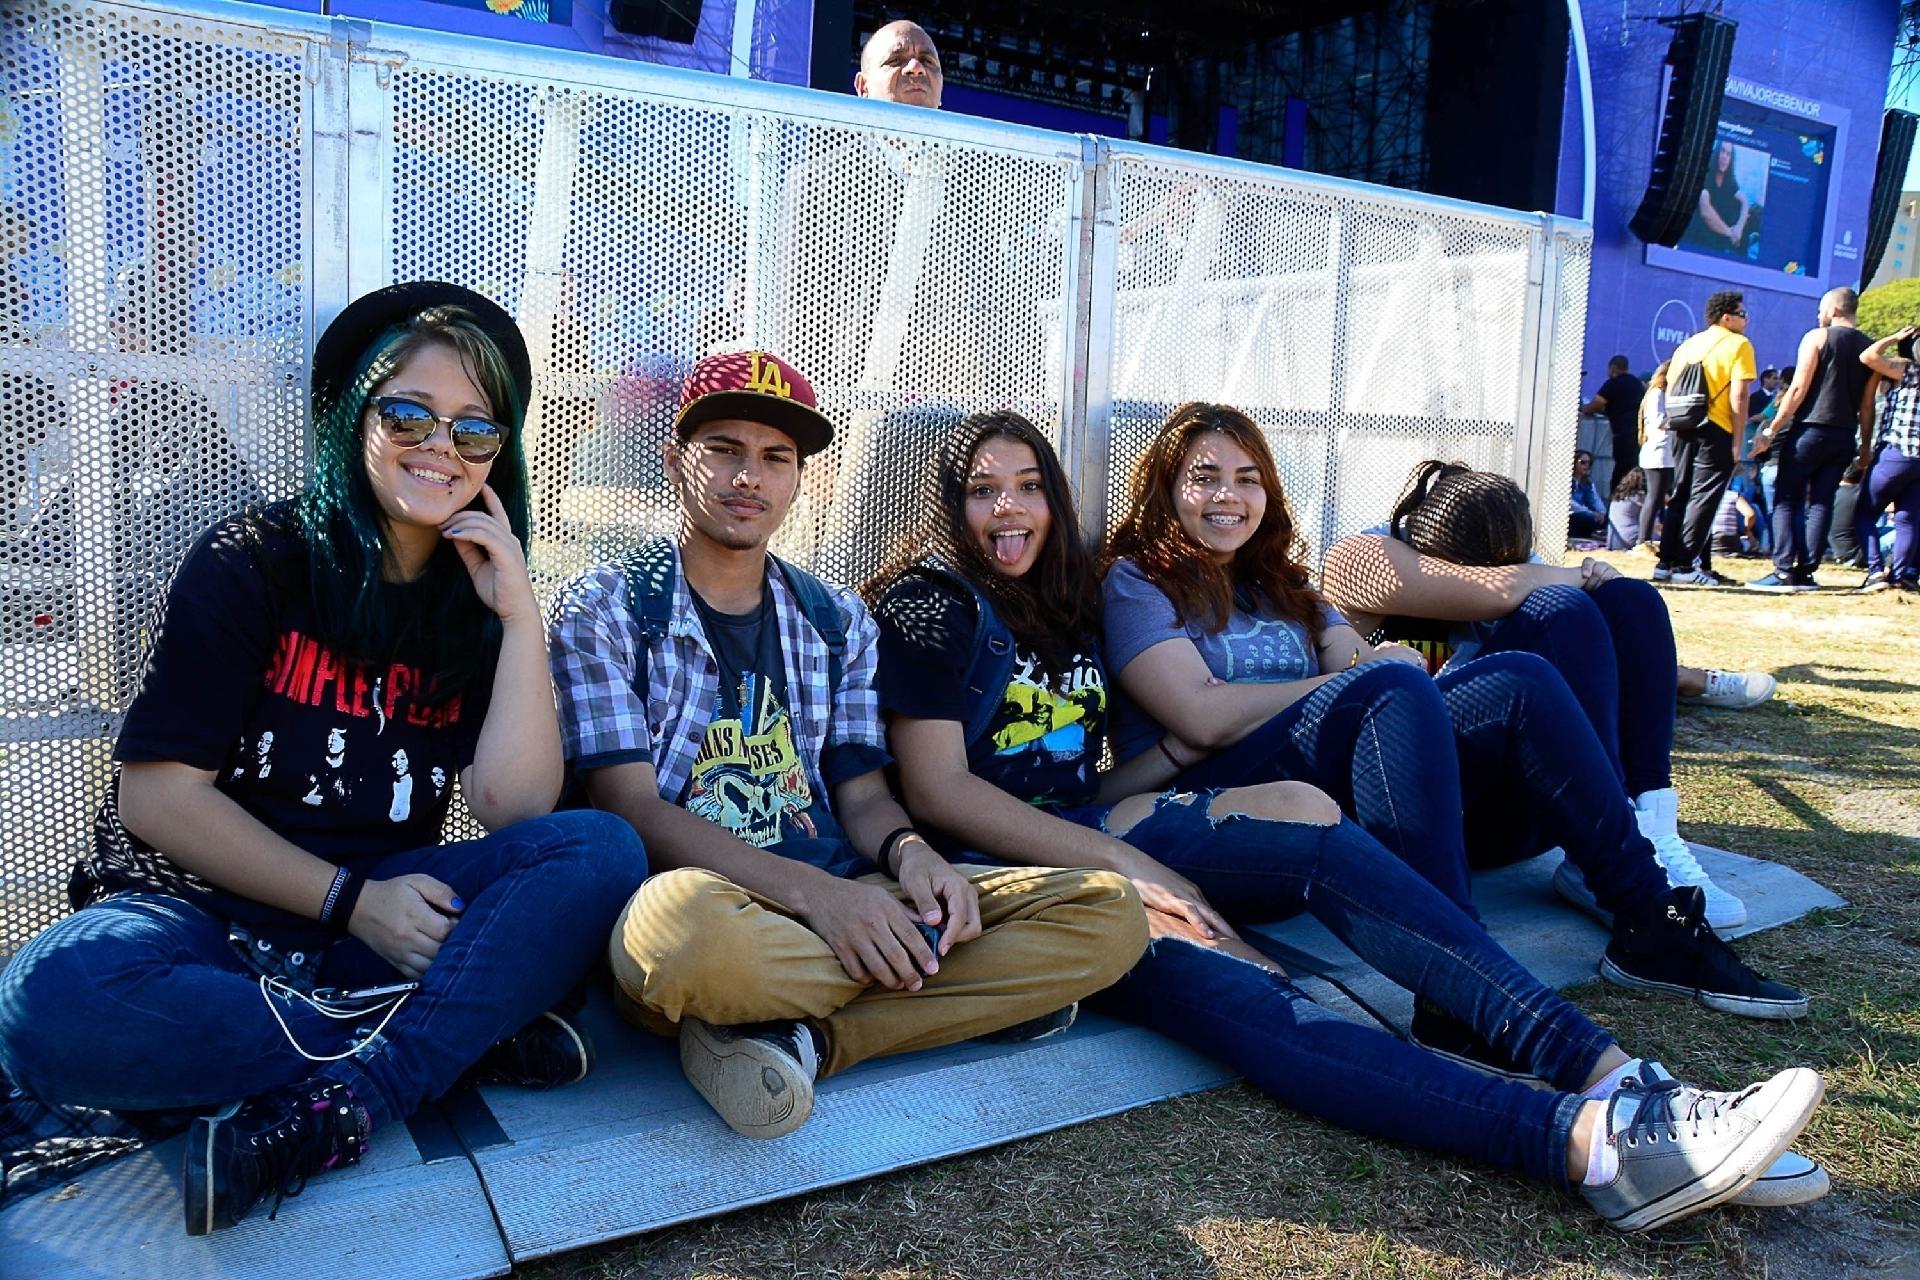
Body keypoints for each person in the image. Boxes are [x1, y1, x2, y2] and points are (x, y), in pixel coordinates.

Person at [866, 409, 1825, 1233]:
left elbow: (1105, 763)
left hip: (1107, 829)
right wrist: (1131, 856)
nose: (1009, 508)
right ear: (946, 506)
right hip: (1020, 882)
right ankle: (1592, 1146)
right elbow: (946, 796)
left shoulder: (1059, 600)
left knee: (1325, 826)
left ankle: (1618, 1080)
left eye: (1028, 485)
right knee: (1268, 1004)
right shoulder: (930, 605)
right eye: (983, 488)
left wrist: (1173, 793)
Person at [0, 283, 650, 1236]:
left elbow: (517, 810)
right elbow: (156, 798)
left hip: (376, 926)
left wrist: (517, 615)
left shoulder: (474, 599)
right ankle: (445, 1045)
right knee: (48, 1003)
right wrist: (354, 901)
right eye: (409, 413)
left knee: (599, 850)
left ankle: (348, 1102)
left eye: (475, 430)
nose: (441, 446)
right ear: (354, 412)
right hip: (198, 918)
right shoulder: (252, 559)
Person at [547, 350, 1146, 1141]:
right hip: (721, 905)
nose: (747, 478)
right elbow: (629, 807)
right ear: (674, 461)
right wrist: (819, 898)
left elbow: (861, 791)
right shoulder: (608, 607)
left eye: (775, 458)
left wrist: (911, 858)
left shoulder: (835, 619)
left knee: (1109, 913)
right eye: (724, 449)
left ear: (800, 480)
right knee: (678, 930)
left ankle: (802, 1036)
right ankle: (930, 994)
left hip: (854, 897)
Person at [1096, 404, 1801, 1022]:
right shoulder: (1138, 581)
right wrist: (1357, 680)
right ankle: (1463, 977)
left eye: (1248, 478)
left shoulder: (1280, 581)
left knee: (1519, 678)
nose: (1229, 495)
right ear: (1165, 488)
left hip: (1326, 777)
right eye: (1205, 476)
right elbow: (1201, 717)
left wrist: (1367, 668)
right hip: (1219, 801)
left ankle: (1652, 918)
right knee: (1388, 688)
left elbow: (1349, 657)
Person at [1322, 461, 1783, 935]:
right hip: (1426, 803)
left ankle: (1644, 824)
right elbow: (1495, 590)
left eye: (1510, 560)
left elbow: (1517, 583)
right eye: (1473, 566)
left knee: (1632, 600)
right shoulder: (1364, 553)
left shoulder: (1527, 568)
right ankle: (1609, 849)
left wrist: (1597, 583)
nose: (1500, 569)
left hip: (1523, 811)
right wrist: (1579, 573)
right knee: (1561, 607)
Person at [1746, 288, 1875, 593]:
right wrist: (1865, 447)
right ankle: (1806, 572)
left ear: (1832, 309)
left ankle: (1782, 570)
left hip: (1809, 430)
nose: (1819, 316)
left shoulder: (1817, 338)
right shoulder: (1870, 348)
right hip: (1844, 435)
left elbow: (1798, 389)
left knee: (1787, 500)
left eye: (1821, 309)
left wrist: (1771, 429)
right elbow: (1867, 405)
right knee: (1821, 502)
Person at [1655, 290, 1754, 586]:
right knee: (1705, 497)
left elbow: (1670, 384)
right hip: (1717, 427)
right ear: (1727, 317)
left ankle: (1666, 561)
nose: (1746, 321)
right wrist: (1738, 441)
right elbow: (1739, 394)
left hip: (1684, 424)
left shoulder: (1689, 343)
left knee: (1681, 492)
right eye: (1743, 314)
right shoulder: (1739, 345)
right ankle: (1686, 566)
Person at [1856, 325, 1920, 591]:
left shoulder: (1910, 371)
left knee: (1865, 512)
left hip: (1897, 452)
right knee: (1908, 518)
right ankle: (1902, 575)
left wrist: (1892, 338)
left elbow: (1868, 356)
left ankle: (1874, 572)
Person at [1580, 356, 1644, 499]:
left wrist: (1583, 408)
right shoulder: (1637, 384)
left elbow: (1595, 405)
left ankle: (1616, 505)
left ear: (1612, 368)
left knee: (1620, 474)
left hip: (1623, 436)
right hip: (1638, 436)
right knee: (1632, 472)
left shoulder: (1613, 383)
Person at [1635, 360, 1673, 550]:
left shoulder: (1664, 394)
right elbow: (1660, 421)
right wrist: (1678, 416)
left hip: (1666, 453)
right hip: (1657, 452)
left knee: (1660, 498)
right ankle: (1642, 540)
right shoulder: (1656, 394)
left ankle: (1652, 538)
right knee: (1654, 496)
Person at [1692, 140, 1752, 255]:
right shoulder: (1705, 173)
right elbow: (1705, 212)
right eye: (1722, 151)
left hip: (1719, 233)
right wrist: (1730, 233)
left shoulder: (1729, 180)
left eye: (1728, 154)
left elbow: (1745, 201)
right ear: (1716, 153)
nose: (1724, 157)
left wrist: (1739, 227)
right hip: (1699, 230)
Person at [1567, 450, 1606, 540]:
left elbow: (1596, 500)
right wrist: (1591, 513)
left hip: (1588, 513)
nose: (1586, 466)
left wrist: (1602, 513)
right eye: (1583, 463)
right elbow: (1570, 503)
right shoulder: (1568, 482)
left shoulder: (1588, 484)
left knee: (1607, 518)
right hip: (1574, 514)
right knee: (1586, 518)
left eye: (1589, 463)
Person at [1607, 467, 1644, 551]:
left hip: (1614, 542)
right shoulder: (1640, 498)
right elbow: (1656, 526)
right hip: (1631, 540)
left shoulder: (1619, 496)